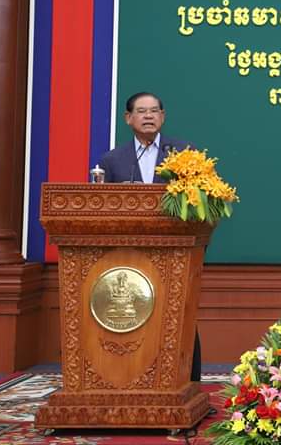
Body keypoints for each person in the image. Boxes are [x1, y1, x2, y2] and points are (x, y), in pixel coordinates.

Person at [97, 92, 202, 383]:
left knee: (178, 313)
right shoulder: (112, 160)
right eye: (141, 111)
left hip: (174, 254)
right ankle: (129, 375)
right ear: (128, 118)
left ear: (162, 117)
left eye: (154, 111)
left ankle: (186, 378)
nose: (148, 116)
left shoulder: (183, 154)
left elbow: (199, 199)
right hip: (127, 256)